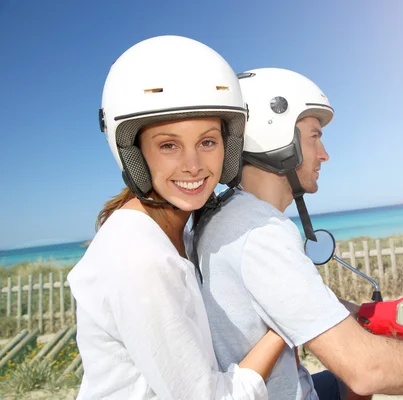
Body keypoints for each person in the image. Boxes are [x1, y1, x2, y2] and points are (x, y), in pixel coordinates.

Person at [190, 68, 403, 399]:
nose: (324, 155)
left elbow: (284, 300)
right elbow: (367, 369)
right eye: (314, 137)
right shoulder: (261, 233)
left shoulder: (226, 215)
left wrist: (360, 312)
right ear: (275, 136)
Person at [67, 36, 286, 400]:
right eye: (169, 145)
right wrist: (284, 326)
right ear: (135, 153)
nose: (194, 165)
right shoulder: (141, 260)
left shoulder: (172, 231)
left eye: (208, 141)